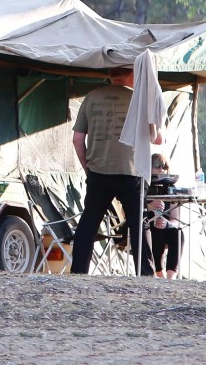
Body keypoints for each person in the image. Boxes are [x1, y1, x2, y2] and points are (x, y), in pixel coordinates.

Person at [70, 67, 161, 276]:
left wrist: (87, 167)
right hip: (132, 171)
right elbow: (157, 139)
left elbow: (77, 139)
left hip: (99, 170)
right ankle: (146, 275)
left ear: (110, 74)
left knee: (89, 222)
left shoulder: (91, 97)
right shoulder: (140, 100)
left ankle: (78, 273)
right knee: (139, 224)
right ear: (132, 75)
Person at [147, 153, 184, 279]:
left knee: (178, 232)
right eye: (157, 165)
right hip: (147, 226)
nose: (161, 169)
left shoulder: (171, 189)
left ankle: (171, 275)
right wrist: (149, 206)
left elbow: (175, 219)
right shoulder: (143, 186)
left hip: (165, 226)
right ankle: (158, 271)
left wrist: (167, 224)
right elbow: (127, 210)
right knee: (156, 231)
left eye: (165, 167)